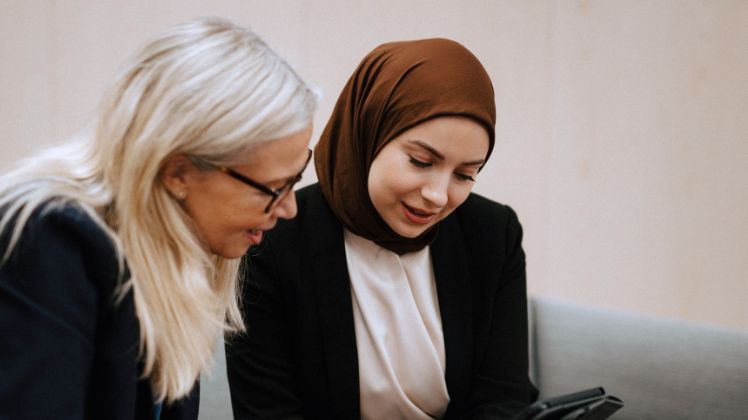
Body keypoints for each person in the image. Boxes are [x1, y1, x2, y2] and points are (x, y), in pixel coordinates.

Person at [0, 17, 317, 419]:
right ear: (179, 171)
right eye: (274, 187)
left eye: (295, 180)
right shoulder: (38, 245)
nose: (289, 208)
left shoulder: (173, 255)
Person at [226, 38, 538, 419]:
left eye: (465, 174)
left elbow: (504, 398)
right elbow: (267, 412)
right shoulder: (273, 238)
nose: (438, 196)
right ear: (368, 132)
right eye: (421, 161)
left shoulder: (492, 234)